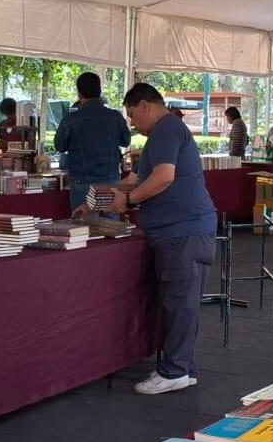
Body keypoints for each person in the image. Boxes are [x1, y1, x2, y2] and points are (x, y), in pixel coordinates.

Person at [108, 83, 217, 395]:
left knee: (180, 303)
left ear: (145, 106)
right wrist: (103, 197)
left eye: (131, 115)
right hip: (183, 231)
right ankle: (183, 366)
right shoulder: (166, 132)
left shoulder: (166, 130)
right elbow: (140, 178)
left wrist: (128, 202)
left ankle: (175, 370)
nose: (131, 123)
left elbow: (163, 177)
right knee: (180, 302)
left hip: (182, 232)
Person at [56, 72, 131, 212]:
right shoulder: (115, 117)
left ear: (79, 93)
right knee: (111, 227)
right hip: (110, 181)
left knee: (82, 227)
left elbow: (60, 146)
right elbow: (126, 141)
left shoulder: (70, 119)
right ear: (99, 91)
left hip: (81, 182)